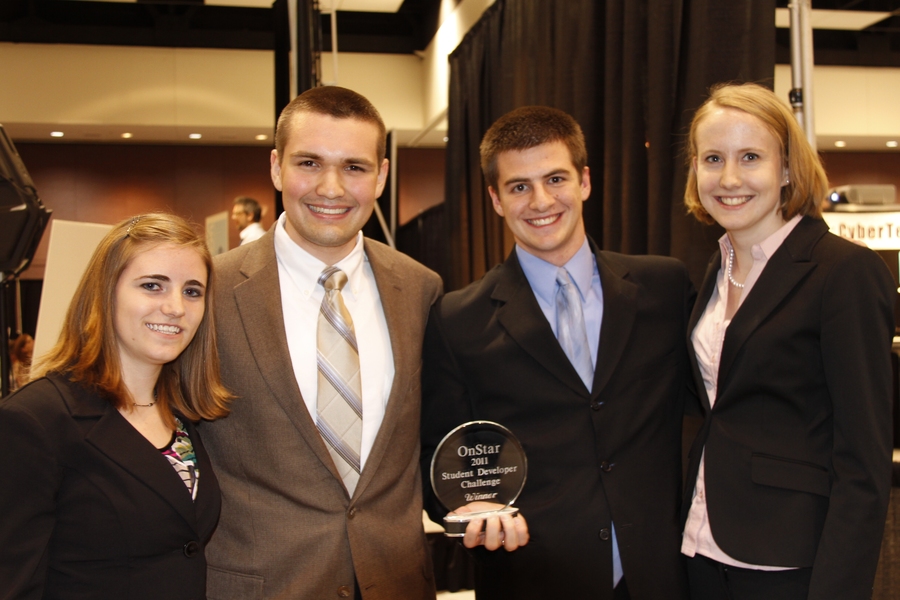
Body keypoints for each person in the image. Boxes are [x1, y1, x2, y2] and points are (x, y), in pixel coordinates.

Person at [420, 105, 694, 599]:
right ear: (496, 199)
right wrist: (465, 509)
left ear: (584, 181)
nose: (540, 200)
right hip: (530, 577)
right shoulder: (457, 318)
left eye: (555, 178)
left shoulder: (664, 287)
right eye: (518, 186)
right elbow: (438, 455)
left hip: (659, 575)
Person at [202, 86, 443, 600]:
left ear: (380, 175)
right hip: (261, 586)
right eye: (309, 162)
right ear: (276, 167)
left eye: (354, 167)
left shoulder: (421, 288)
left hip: (396, 582)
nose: (330, 188)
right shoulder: (208, 291)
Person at [680, 82, 895, 600]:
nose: (729, 178)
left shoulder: (844, 271)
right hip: (700, 549)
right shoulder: (716, 267)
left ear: (786, 169)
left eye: (750, 157)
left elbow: (864, 459)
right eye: (713, 158)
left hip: (789, 561)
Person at [0, 212, 231, 599]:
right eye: (153, 286)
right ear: (105, 292)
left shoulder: (183, 415)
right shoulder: (35, 421)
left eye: (192, 291)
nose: (176, 307)